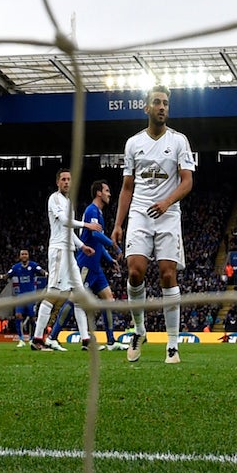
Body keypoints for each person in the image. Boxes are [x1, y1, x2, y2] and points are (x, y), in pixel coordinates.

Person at [113, 86, 196, 364]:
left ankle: (172, 344)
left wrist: (167, 202)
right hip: (139, 211)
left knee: (167, 275)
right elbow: (126, 187)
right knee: (135, 272)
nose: (162, 107)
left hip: (168, 213)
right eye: (157, 103)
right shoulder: (133, 143)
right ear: (147, 108)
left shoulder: (179, 141)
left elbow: (187, 181)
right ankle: (139, 331)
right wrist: (118, 224)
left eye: (166, 103)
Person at [31, 169, 93, 350]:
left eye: (69, 179)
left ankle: (85, 340)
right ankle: (37, 339)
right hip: (59, 251)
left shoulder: (69, 202)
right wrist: (86, 225)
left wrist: (82, 246)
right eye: (63, 179)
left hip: (70, 252)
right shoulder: (55, 198)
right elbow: (65, 222)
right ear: (58, 182)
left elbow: (69, 231)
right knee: (53, 294)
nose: (66, 182)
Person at [79, 179, 121, 343]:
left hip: (96, 267)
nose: (109, 194)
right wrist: (114, 246)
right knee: (75, 300)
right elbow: (95, 235)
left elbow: (97, 242)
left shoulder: (99, 214)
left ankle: (111, 340)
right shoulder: (91, 210)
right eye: (107, 190)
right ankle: (52, 337)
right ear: (99, 193)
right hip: (86, 264)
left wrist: (109, 260)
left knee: (108, 299)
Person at [5, 248, 46, 347]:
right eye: (22, 254)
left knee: (32, 318)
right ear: (20, 256)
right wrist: (1, 277)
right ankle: (21, 340)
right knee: (18, 315)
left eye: (25, 254)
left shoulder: (33, 265)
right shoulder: (16, 267)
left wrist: (46, 273)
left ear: (28, 256)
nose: (24, 256)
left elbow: (41, 271)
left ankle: (32, 339)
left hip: (31, 296)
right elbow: (8, 275)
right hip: (20, 296)